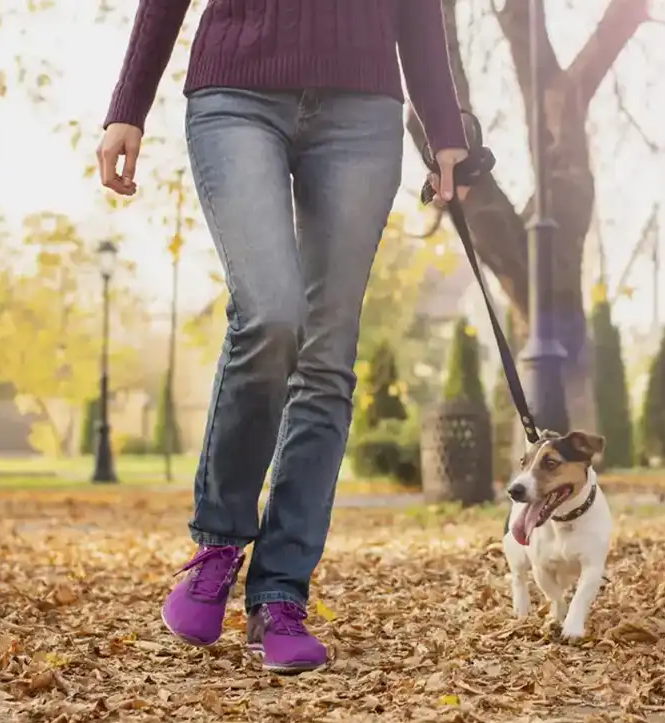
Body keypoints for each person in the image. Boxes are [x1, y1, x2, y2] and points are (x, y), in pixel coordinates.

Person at [96, 0, 469, 674]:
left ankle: (279, 592)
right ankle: (217, 542)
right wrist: (128, 105)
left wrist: (444, 126)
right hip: (236, 92)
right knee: (270, 313)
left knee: (326, 357)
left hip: (362, 111)